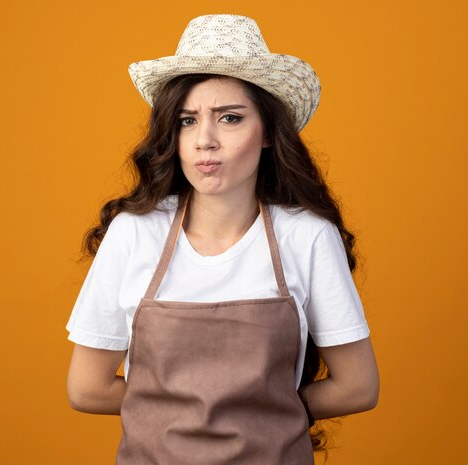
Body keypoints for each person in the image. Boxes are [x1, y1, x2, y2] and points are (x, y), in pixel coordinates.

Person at [65, 14, 380, 464]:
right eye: (187, 121)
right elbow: (86, 388)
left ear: (269, 132)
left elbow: (358, 387)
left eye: (229, 118)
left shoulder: (307, 236)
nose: (204, 141)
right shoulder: (135, 233)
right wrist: (202, 415)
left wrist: (258, 417)